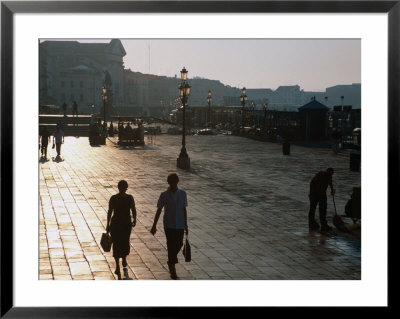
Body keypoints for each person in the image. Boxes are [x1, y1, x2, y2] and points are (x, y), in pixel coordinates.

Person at [151, 173, 188, 279]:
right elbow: (159, 210)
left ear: (177, 181)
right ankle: (172, 269)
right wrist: (154, 225)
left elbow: (184, 209)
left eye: (174, 182)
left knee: (179, 244)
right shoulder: (164, 195)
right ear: (168, 182)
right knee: (171, 245)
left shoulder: (183, 194)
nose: (173, 184)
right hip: (169, 224)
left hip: (180, 224)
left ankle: (171, 260)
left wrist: (186, 224)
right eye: (171, 182)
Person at [106, 180, 137, 278]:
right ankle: (117, 264)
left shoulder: (128, 198)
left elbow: (133, 209)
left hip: (125, 224)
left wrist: (134, 219)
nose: (123, 189)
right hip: (117, 224)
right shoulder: (114, 198)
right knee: (116, 243)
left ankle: (123, 258)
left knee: (124, 242)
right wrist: (108, 224)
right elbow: (110, 211)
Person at [308, 168, 335, 232]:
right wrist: (311, 194)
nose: (330, 175)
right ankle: (312, 224)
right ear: (327, 172)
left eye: (331, 174)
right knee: (312, 209)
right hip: (315, 194)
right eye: (329, 174)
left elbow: (330, 183)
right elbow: (312, 183)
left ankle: (324, 225)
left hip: (322, 195)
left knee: (323, 210)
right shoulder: (320, 174)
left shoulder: (329, 176)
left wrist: (332, 190)